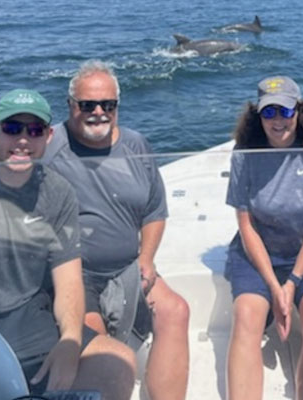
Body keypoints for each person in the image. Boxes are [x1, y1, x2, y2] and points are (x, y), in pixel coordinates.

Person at [0, 89, 136, 400]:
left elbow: (68, 280)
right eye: (12, 129)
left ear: (48, 136)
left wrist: (70, 340)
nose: (23, 141)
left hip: (28, 321)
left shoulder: (59, 193)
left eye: (34, 130)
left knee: (117, 364)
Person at [42, 59, 190, 400]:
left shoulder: (138, 146)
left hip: (128, 267)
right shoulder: (49, 148)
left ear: (117, 106)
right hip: (76, 274)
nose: (98, 112)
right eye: (87, 104)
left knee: (176, 311)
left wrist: (147, 260)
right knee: (99, 343)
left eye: (107, 104)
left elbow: (155, 210)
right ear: (70, 106)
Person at [225, 75, 303, 400]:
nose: (277, 121)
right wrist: (275, 286)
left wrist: (292, 283)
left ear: (299, 112)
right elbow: (246, 225)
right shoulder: (243, 153)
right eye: (268, 112)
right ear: (257, 115)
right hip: (255, 252)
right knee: (246, 318)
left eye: (285, 112)